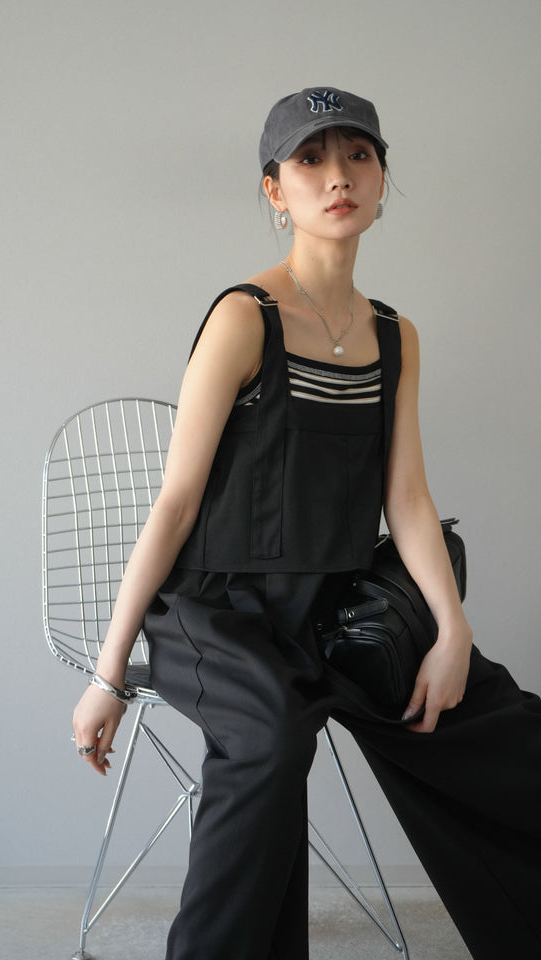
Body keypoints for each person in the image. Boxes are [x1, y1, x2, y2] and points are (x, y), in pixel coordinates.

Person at [72, 86, 541, 960]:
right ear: (275, 190)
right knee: (271, 738)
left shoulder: (395, 336)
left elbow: (407, 499)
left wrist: (452, 630)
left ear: (382, 177)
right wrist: (109, 673)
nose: (338, 177)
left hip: (333, 615)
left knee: (495, 724)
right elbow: (175, 503)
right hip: (218, 614)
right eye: (311, 159)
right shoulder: (243, 318)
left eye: (358, 156)